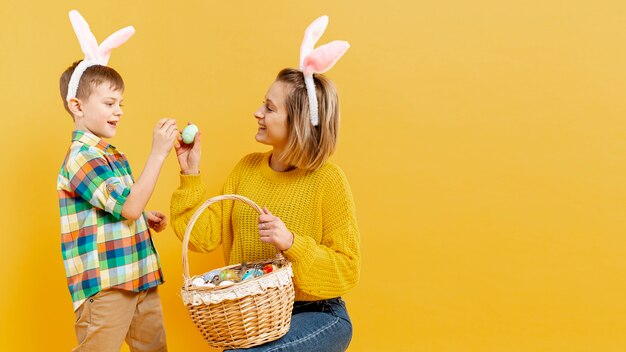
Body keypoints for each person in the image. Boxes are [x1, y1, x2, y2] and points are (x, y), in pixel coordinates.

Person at [170, 16, 359, 352]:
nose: (257, 113)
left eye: (270, 108)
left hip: (319, 313)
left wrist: (290, 243)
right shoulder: (247, 169)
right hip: (255, 315)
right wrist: (191, 172)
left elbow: (346, 270)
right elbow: (202, 237)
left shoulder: (328, 181)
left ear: (297, 123)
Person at [56, 10, 175, 351]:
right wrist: (158, 153)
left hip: (140, 278)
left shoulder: (111, 155)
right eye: (109, 102)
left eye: (120, 102)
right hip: (107, 286)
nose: (119, 110)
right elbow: (128, 205)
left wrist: (142, 215)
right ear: (77, 106)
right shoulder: (82, 157)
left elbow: (124, 204)